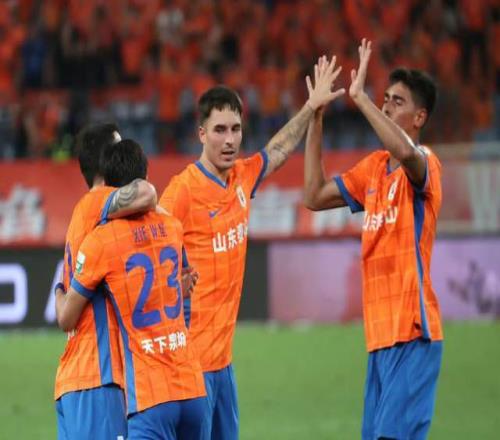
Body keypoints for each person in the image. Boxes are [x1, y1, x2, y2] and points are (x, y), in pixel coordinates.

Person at [159, 56, 345, 439]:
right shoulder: (181, 192)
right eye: (219, 130)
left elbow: (277, 150)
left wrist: (310, 107)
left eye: (236, 129)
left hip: (222, 362)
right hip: (190, 365)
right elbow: (150, 248)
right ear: (201, 134)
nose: (229, 140)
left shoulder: (242, 177)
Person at [304, 40, 443, 439]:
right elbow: (313, 195)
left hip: (413, 334)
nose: (386, 107)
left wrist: (361, 99)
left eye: (397, 102)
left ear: (419, 117)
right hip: (380, 338)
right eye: (385, 99)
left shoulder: (426, 164)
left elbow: (407, 153)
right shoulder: (374, 169)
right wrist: (316, 117)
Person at [57, 139, 209, 439]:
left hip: (149, 391)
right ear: (146, 174)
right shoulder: (172, 226)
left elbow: (66, 317)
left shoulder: (102, 240)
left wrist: (59, 290)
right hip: (192, 383)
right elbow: (175, 290)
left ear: (107, 185)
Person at [54, 123, 157, 440]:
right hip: (100, 376)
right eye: (118, 148)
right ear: (106, 161)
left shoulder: (83, 214)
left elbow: (65, 304)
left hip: (73, 381)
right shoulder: (101, 200)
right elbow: (147, 192)